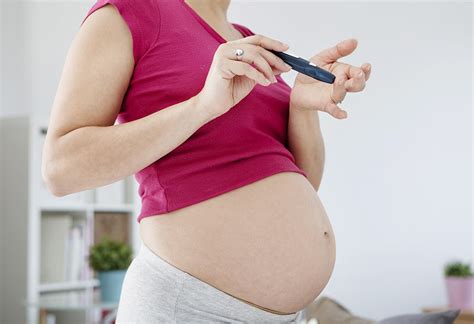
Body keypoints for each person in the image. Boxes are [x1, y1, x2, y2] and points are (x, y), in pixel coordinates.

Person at [42, 0, 371, 322]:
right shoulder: (127, 13)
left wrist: (301, 105)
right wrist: (203, 105)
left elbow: (305, 182)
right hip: (187, 308)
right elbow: (61, 170)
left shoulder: (245, 39)